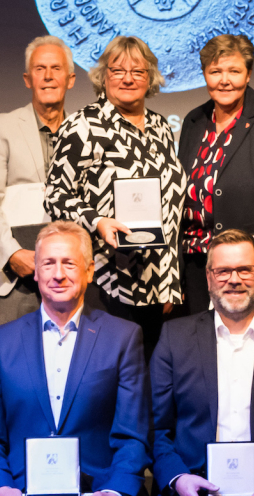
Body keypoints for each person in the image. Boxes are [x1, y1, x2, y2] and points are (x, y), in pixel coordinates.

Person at [0, 221, 150, 496]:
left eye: (69, 263)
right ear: (36, 271)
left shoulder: (123, 338)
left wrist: (116, 491)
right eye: (48, 264)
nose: (58, 274)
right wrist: (0, 488)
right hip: (20, 490)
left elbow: (133, 438)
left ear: (89, 271)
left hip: (97, 490)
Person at [151, 229, 254, 496]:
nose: (234, 280)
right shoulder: (174, 338)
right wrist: (179, 478)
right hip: (192, 488)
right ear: (209, 277)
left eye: (244, 270)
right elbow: (156, 428)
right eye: (223, 271)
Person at [44, 36, 185, 352]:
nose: (128, 78)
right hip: (106, 277)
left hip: (155, 281)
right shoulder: (83, 126)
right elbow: (55, 195)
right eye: (118, 69)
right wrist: (97, 221)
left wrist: (169, 282)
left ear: (150, 78)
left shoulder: (161, 127)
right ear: (103, 77)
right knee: (107, 379)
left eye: (138, 70)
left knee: (147, 382)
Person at [175, 35, 254, 315]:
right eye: (215, 72)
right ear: (204, 74)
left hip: (248, 263)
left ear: (249, 74)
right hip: (197, 262)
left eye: (234, 71)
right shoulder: (194, 121)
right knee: (201, 346)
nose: (224, 80)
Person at [0, 36, 77, 326]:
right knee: (12, 364)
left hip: (70, 277)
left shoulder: (84, 132)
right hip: (15, 275)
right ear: (27, 78)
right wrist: (11, 253)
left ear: (70, 79)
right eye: (39, 68)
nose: (47, 77)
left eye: (56, 68)